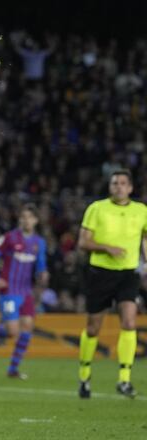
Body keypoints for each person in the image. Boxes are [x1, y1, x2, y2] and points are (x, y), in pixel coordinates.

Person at [76, 170, 147, 399]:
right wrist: (107, 248)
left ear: (130, 188)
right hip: (100, 273)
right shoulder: (97, 208)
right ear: (110, 187)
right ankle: (84, 375)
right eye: (115, 183)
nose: (119, 187)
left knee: (129, 321)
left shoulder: (141, 211)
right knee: (93, 328)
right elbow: (83, 242)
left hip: (128, 273)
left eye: (123, 183)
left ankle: (124, 380)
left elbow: (145, 238)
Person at [0, 205, 48, 379]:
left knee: (28, 326)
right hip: (9, 291)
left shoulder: (39, 242)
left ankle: (13, 369)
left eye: (29, 217)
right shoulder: (9, 238)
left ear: (35, 220)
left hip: (26, 292)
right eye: (22, 217)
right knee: (13, 331)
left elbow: (41, 264)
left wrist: (42, 273)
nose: (25, 220)